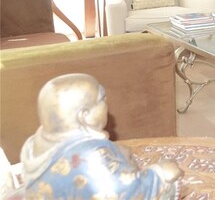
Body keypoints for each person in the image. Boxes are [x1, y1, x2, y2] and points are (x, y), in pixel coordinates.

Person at [20, 73, 182, 199]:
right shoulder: (89, 155)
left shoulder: (34, 143)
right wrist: (161, 173)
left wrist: (113, 153)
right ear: (84, 116)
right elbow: (122, 193)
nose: (106, 103)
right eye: (102, 99)